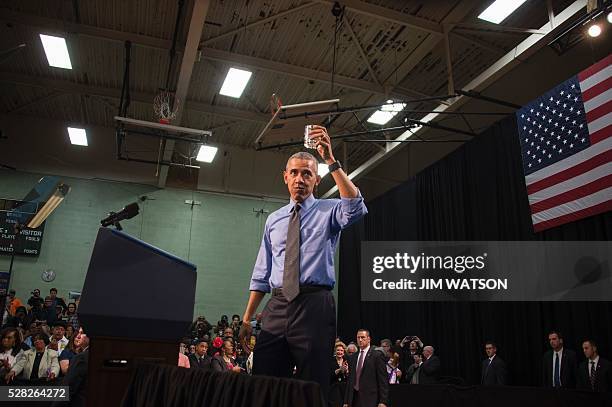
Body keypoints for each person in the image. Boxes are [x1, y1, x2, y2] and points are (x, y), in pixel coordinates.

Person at [239, 126, 368, 399]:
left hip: (314, 306)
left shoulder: (329, 210)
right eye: (295, 173)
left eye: (307, 173)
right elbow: (262, 273)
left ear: (316, 180)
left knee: (313, 383)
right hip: (277, 305)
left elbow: (355, 206)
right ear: (285, 177)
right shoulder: (274, 220)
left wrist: (331, 161)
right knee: (264, 381)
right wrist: (248, 318)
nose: (300, 178)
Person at [343, 329, 388, 407]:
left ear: (369, 339)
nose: (360, 340)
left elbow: (383, 380)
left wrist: (383, 401)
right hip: (354, 399)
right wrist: (346, 401)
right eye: (358, 337)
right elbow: (350, 380)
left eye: (363, 337)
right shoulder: (353, 357)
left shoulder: (377, 355)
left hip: (370, 399)